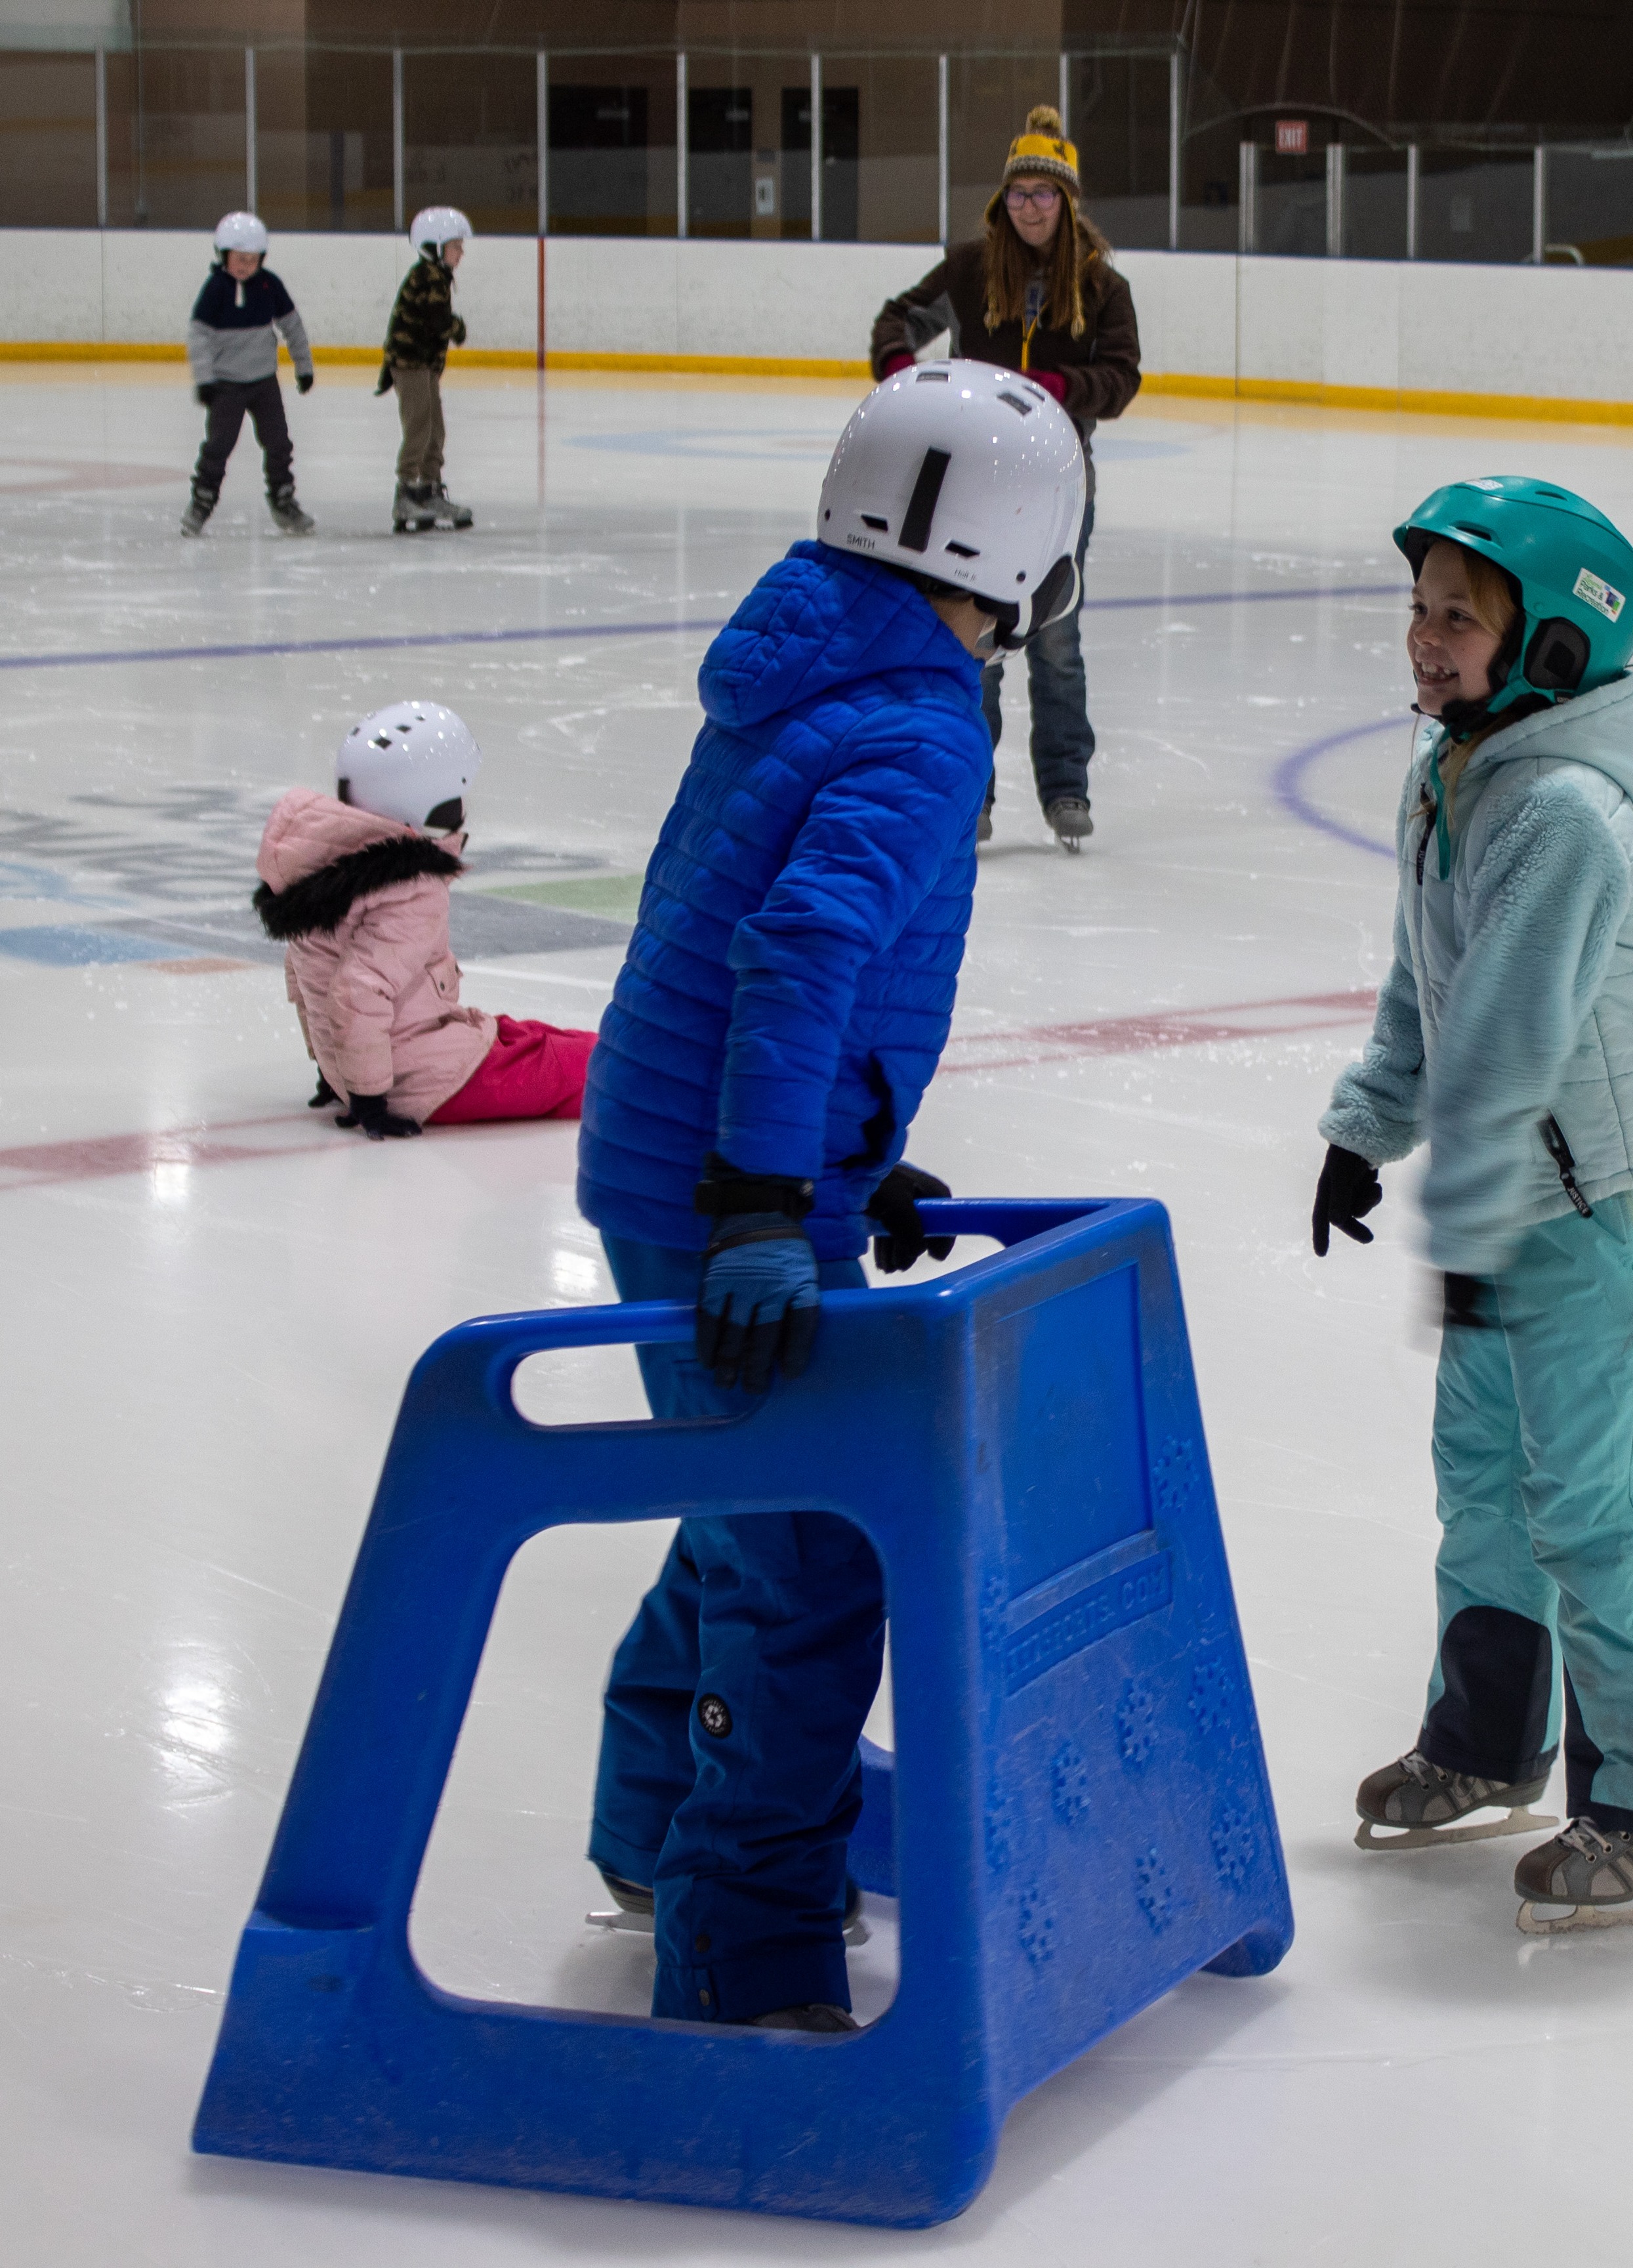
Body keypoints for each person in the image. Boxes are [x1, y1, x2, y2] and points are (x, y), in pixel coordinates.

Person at [573, 362, 1087, 2031]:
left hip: (692, 1147)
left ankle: (653, 1819)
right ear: (1028, 556)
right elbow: (796, 953)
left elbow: (725, 925)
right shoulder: (925, 722)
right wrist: (759, 1195)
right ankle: (743, 1947)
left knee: (752, 1501)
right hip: (721, 1178)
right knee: (809, 1562)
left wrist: (832, 1156)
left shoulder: (806, 654)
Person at [1310, 475, 1633, 1930]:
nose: (1425, 639)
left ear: (1551, 646)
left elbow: (1503, 1037)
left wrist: (1464, 1213)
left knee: (1595, 1509)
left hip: (1599, 1207)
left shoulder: (1564, 811)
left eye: (1460, 617)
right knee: (1484, 1490)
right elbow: (1429, 980)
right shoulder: (1462, 774)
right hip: (1512, 1201)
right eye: (1420, 608)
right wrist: (1366, 1129)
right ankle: (1488, 1743)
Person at [869, 105, 1142, 852]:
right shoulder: (966, 269)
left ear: (1067, 202)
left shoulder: (1100, 287)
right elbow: (898, 321)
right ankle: (971, 791)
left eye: (1044, 194)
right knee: (970, 638)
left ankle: (1065, 788)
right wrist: (902, 374)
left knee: (1056, 638)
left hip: (1058, 481)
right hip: (974, 483)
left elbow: (1122, 378)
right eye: (1019, 193)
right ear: (1003, 201)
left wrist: (1062, 387)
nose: (1030, 206)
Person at [253, 702, 595, 1134]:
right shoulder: (408, 886)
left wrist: (332, 1066)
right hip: (421, 1081)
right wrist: (368, 1095)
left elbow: (306, 975)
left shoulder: (324, 869)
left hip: (403, 1053)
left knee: (547, 1040)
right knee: (604, 1073)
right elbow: (358, 990)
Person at [182, 211, 314, 539]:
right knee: (219, 445)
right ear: (223, 256)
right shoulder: (215, 289)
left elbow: (292, 327)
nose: (245, 266)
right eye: (238, 259)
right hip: (227, 385)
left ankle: (283, 500)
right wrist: (205, 378)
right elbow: (199, 336)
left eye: (252, 260)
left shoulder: (270, 285)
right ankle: (202, 501)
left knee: (279, 442)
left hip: (264, 383)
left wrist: (304, 366)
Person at [378, 206, 474, 535]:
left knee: (436, 428)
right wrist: (458, 328)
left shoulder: (437, 276)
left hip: (424, 365)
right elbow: (437, 321)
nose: (461, 252)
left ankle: (429, 489)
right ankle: (406, 491)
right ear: (434, 247)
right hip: (410, 364)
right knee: (420, 426)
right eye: (455, 246)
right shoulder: (429, 277)